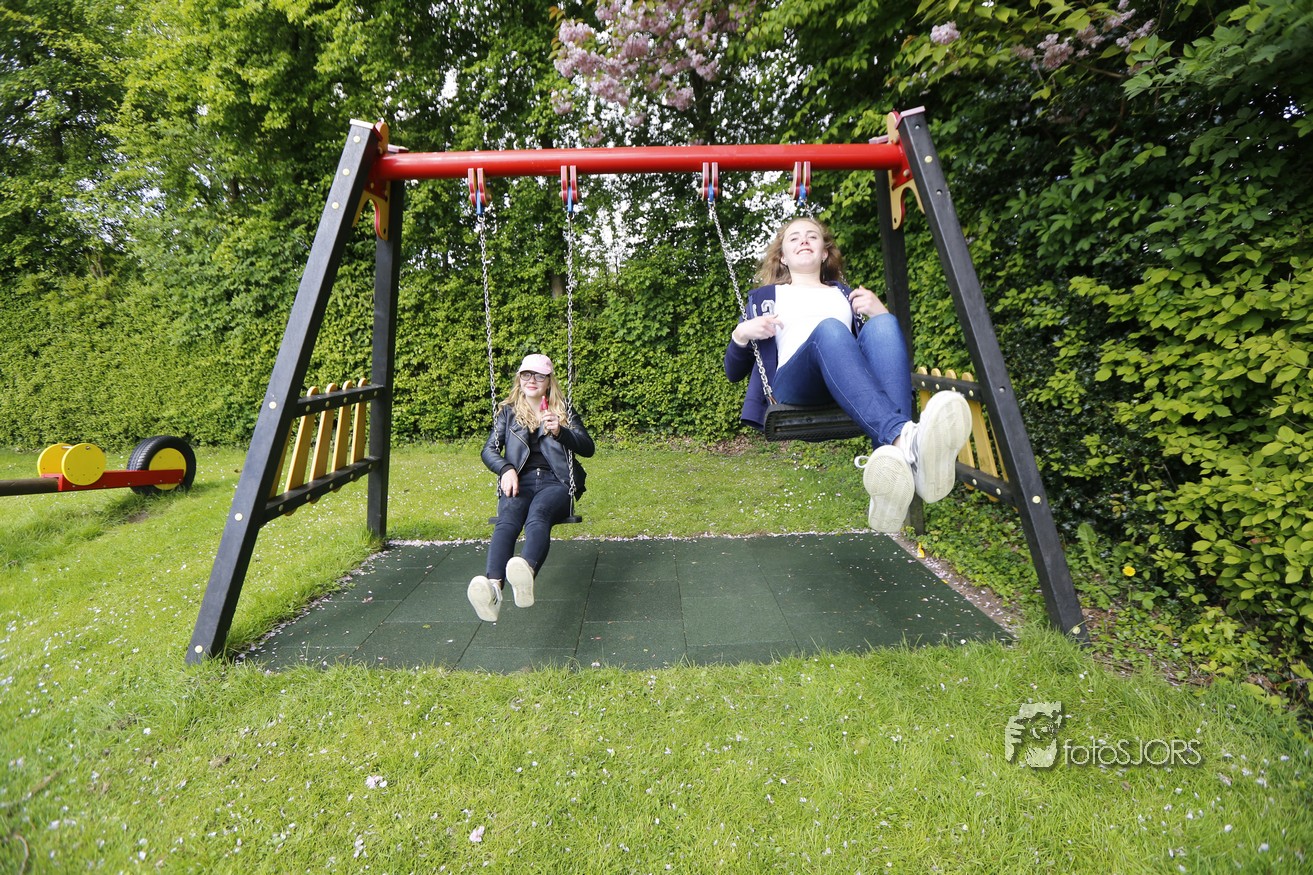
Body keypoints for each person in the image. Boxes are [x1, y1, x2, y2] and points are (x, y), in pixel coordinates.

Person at [724, 216, 971, 533]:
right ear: (782, 256)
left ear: (824, 253)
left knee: (884, 323)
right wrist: (742, 333)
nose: (804, 240)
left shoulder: (844, 294)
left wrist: (879, 312)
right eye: (794, 238)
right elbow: (733, 372)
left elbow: (876, 351)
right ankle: (907, 441)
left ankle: (893, 463)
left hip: (842, 381)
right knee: (829, 330)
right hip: (794, 385)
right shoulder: (765, 299)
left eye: (812, 236)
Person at [467, 353, 595, 622]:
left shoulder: (564, 410)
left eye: (539, 375)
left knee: (539, 515)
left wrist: (561, 431)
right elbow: (489, 450)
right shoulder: (508, 412)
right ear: (519, 379)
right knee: (507, 520)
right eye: (526, 375)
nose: (532, 380)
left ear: (549, 381)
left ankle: (524, 572)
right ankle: (493, 590)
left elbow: (587, 447)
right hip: (519, 481)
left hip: (557, 482)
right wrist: (506, 469)